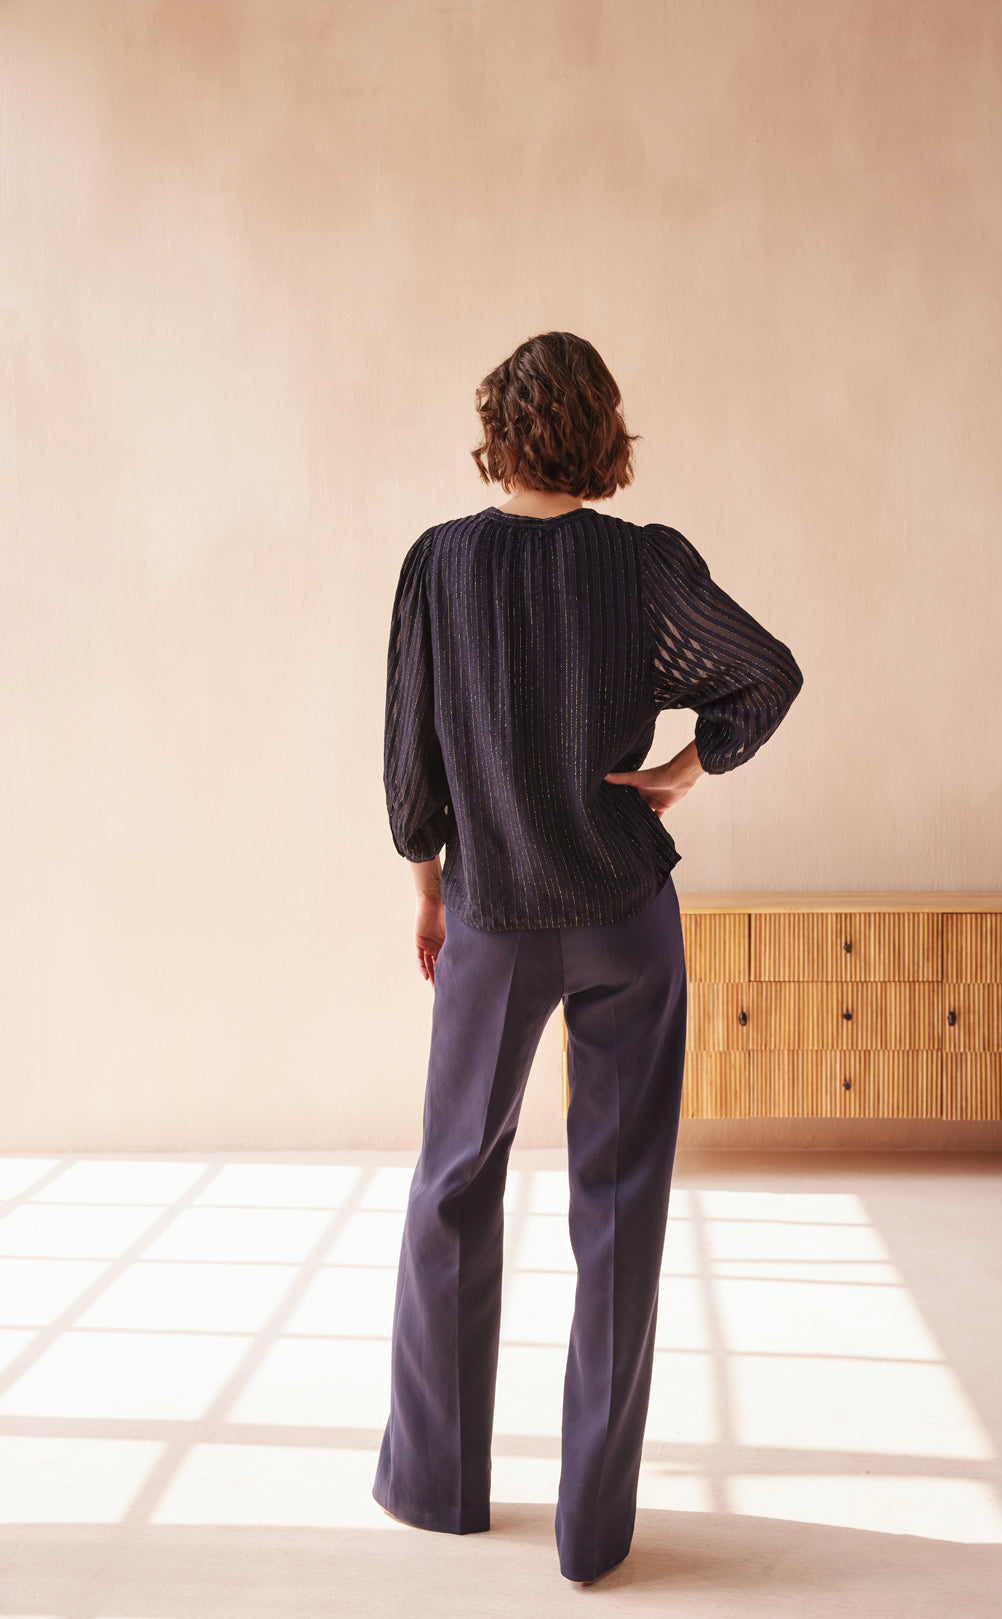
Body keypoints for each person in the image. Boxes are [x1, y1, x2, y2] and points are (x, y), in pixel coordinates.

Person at [373, 331, 804, 1584]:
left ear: (497, 432)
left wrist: (428, 891)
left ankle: (439, 1486)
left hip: (494, 916)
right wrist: (684, 768)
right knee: (621, 1207)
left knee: (454, 1183)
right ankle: (593, 1532)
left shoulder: (440, 565)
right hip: (625, 914)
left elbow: (410, 760)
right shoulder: (644, 565)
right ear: (604, 430)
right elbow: (764, 674)